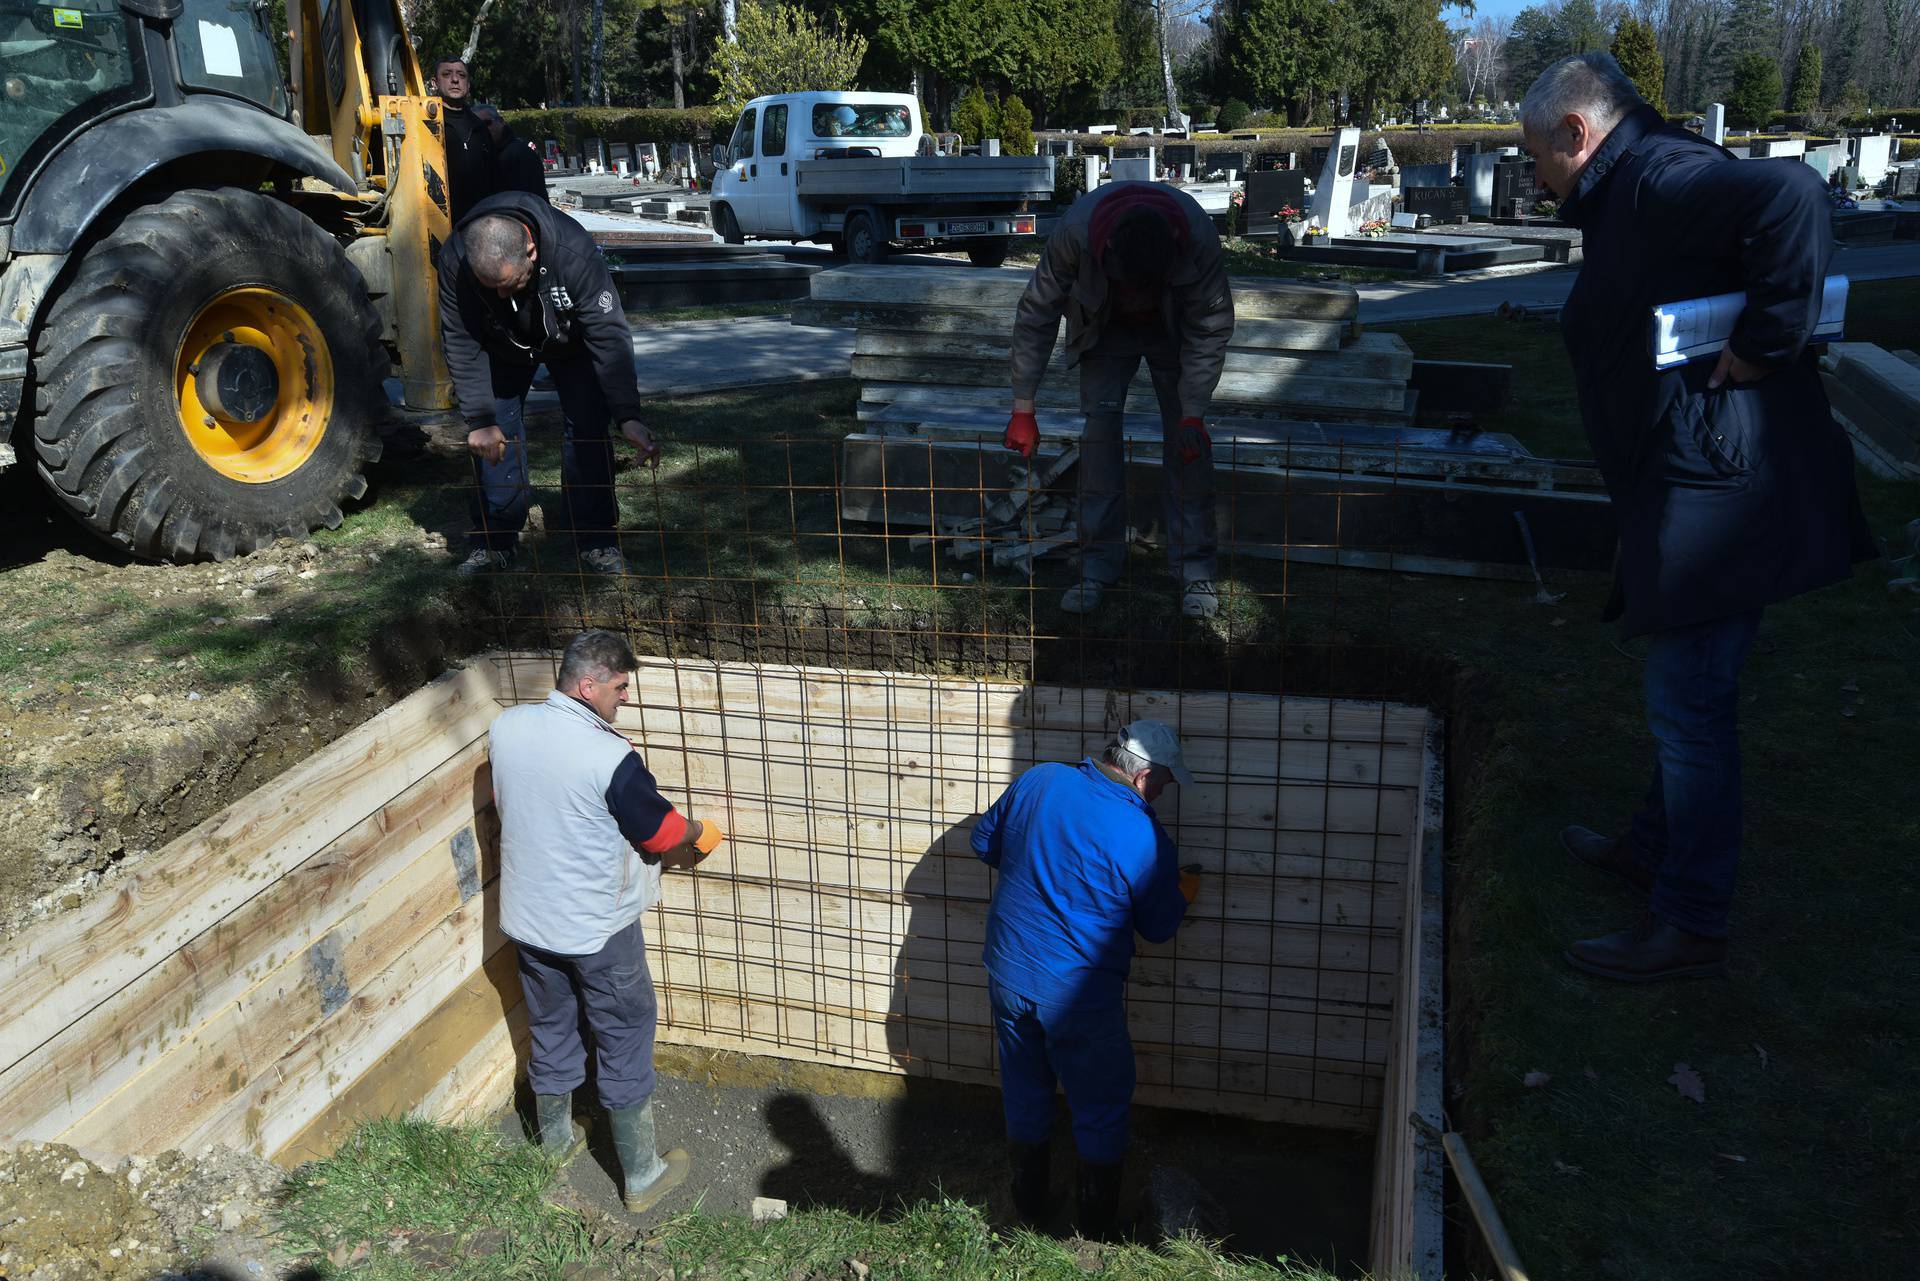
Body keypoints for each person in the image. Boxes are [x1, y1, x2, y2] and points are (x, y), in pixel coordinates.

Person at [1520, 53, 1876, 981]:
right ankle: (1652, 847)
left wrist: (1765, 343)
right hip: (1696, 474)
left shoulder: (1659, 176)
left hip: (1720, 489)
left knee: (1692, 703)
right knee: (1688, 691)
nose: (1535, 175)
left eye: (1536, 154)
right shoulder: (1636, 176)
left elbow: (1795, 194)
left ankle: (1691, 915)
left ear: (1576, 134)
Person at [488, 629, 724, 1213]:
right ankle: (641, 1176)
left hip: (528, 919)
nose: (625, 698)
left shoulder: (507, 728)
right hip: (597, 928)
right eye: (620, 687)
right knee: (623, 1034)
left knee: (551, 1024)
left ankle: (556, 1143)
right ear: (588, 684)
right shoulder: (609, 756)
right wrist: (701, 833)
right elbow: (661, 832)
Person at [969, 721, 1203, 1235]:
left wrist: (1041, 868)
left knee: (1025, 1087)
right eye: (1164, 783)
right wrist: (1183, 888)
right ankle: (1093, 1232)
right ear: (1143, 778)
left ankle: (1028, 1208)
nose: (1163, 794)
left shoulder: (1040, 780)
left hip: (1008, 972)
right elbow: (1158, 927)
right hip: (1077, 996)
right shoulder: (1143, 835)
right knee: (1100, 1102)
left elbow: (983, 843)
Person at [1008, 181, 1235, 619]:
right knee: (1099, 441)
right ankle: (1097, 567)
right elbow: (1036, 313)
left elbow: (1210, 325)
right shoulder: (1075, 232)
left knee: (1189, 449)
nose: (1138, 297)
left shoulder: (1199, 236)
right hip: (1106, 327)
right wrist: (1023, 406)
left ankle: (1195, 569)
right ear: (1106, 248)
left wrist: (1193, 413)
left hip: (1174, 331)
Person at [439, 192, 658, 575]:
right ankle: (495, 540)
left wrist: (627, 414)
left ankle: (596, 539)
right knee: (496, 435)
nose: (502, 295)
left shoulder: (573, 251)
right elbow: (460, 338)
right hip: (499, 347)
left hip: (568, 342)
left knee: (589, 426)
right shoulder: (456, 260)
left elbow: (608, 334)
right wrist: (479, 419)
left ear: (531, 249)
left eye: (509, 283)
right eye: (490, 288)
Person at [428, 54, 548, 226]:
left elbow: (493, 179)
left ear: (468, 85)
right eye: (447, 74)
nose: (455, 80)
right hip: (440, 225)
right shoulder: (427, 126)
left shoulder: (479, 127)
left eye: (461, 76)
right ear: (434, 83)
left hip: (482, 223)